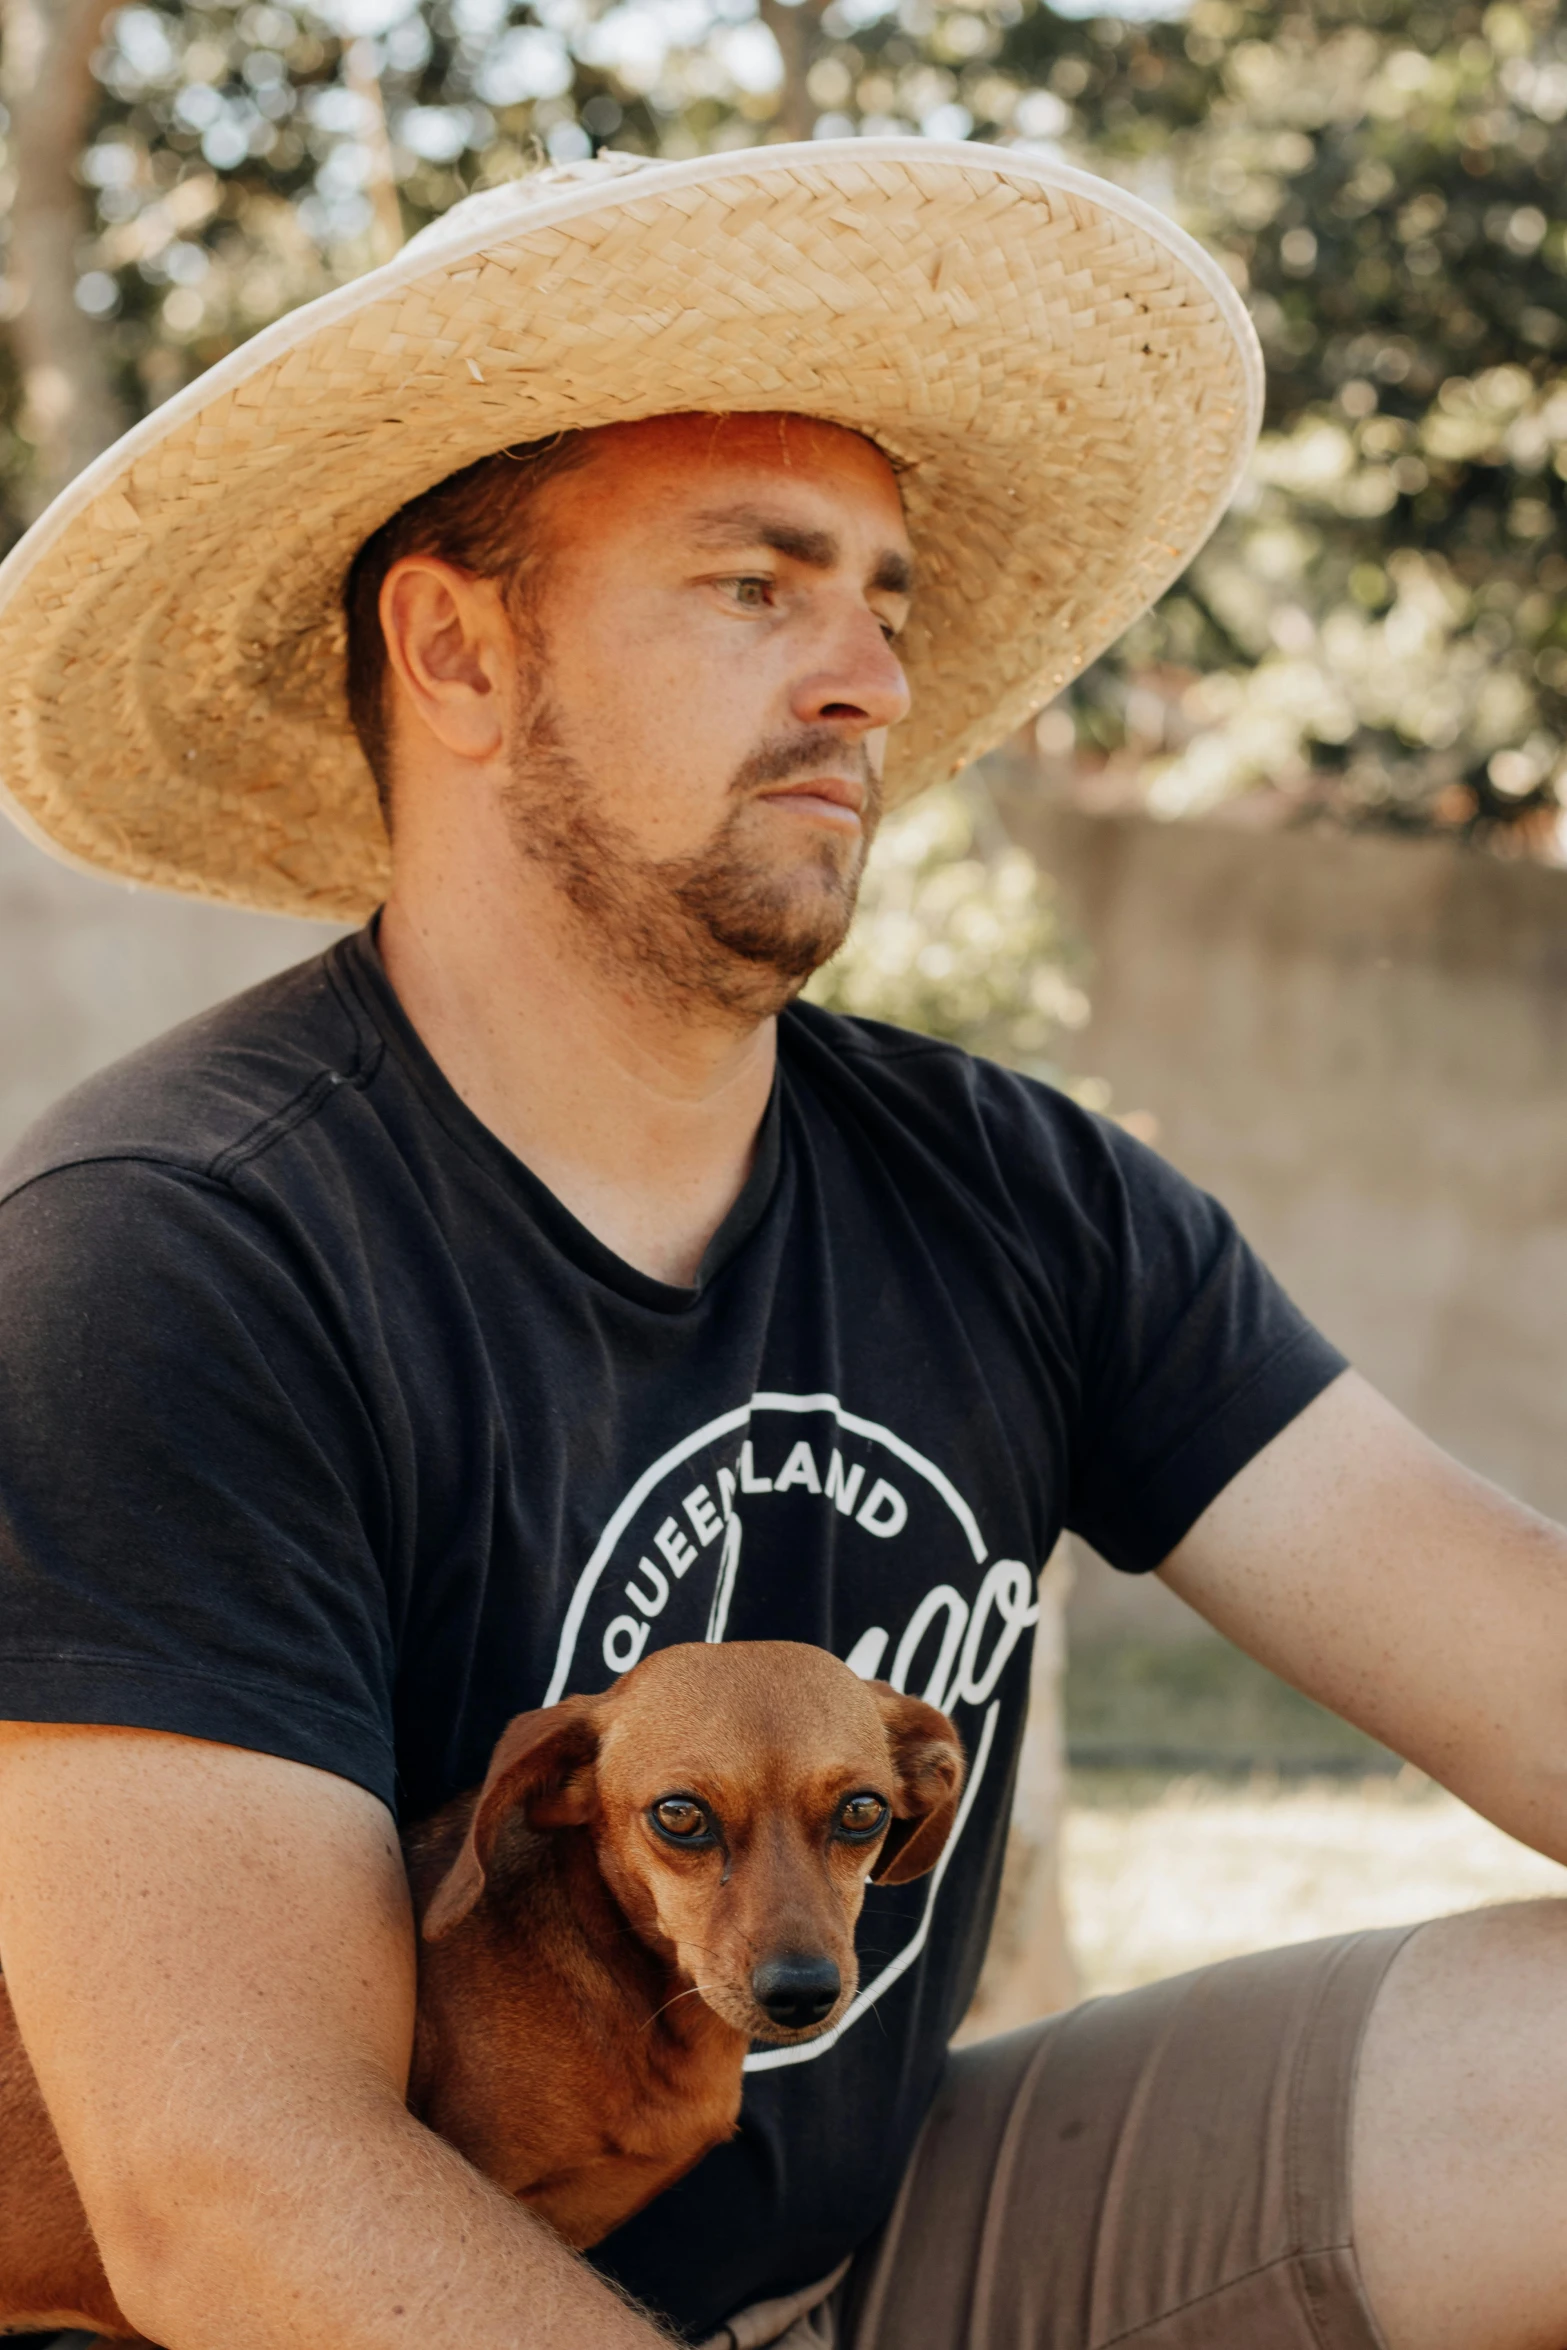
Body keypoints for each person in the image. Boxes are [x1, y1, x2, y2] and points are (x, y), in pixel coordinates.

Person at [0, 140, 1561, 2350]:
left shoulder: (1021, 1194)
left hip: (872, 2256)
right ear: (455, 646)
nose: (869, 681)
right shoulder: (165, 1263)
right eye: (759, 583)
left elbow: (1525, 1655)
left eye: (887, 600)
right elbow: (238, 2195)